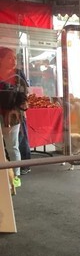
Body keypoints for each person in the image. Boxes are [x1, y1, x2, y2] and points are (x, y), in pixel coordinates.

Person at [0, 46, 28, 188]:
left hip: (12, 115)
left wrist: (19, 107)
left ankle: (16, 176)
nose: (13, 61)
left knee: (12, 146)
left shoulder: (18, 75)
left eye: (14, 58)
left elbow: (24, 94)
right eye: (9, 58)